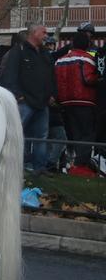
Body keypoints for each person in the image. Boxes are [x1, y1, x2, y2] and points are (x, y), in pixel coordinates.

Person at [0, 23, 54, 173]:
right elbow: (10, 75)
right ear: (34, 33)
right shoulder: (18, 52)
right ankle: (11, 167)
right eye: (43, 32)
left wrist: (51, 94)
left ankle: (39, 167)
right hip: (25, 102)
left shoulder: (44, 53)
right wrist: (19, 96)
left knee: (41, 136)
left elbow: (50, 74)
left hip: (42, 102)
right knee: (16, 135)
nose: (46, 35)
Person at [55, 32, 100, 177]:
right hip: (84, 101)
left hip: (65, 102)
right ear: (87, 45)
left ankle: (71, 163)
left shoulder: (59, 60)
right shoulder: (88, 59)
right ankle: (81, 166)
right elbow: (88, 79)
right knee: (87, 134)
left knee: (73, 134)